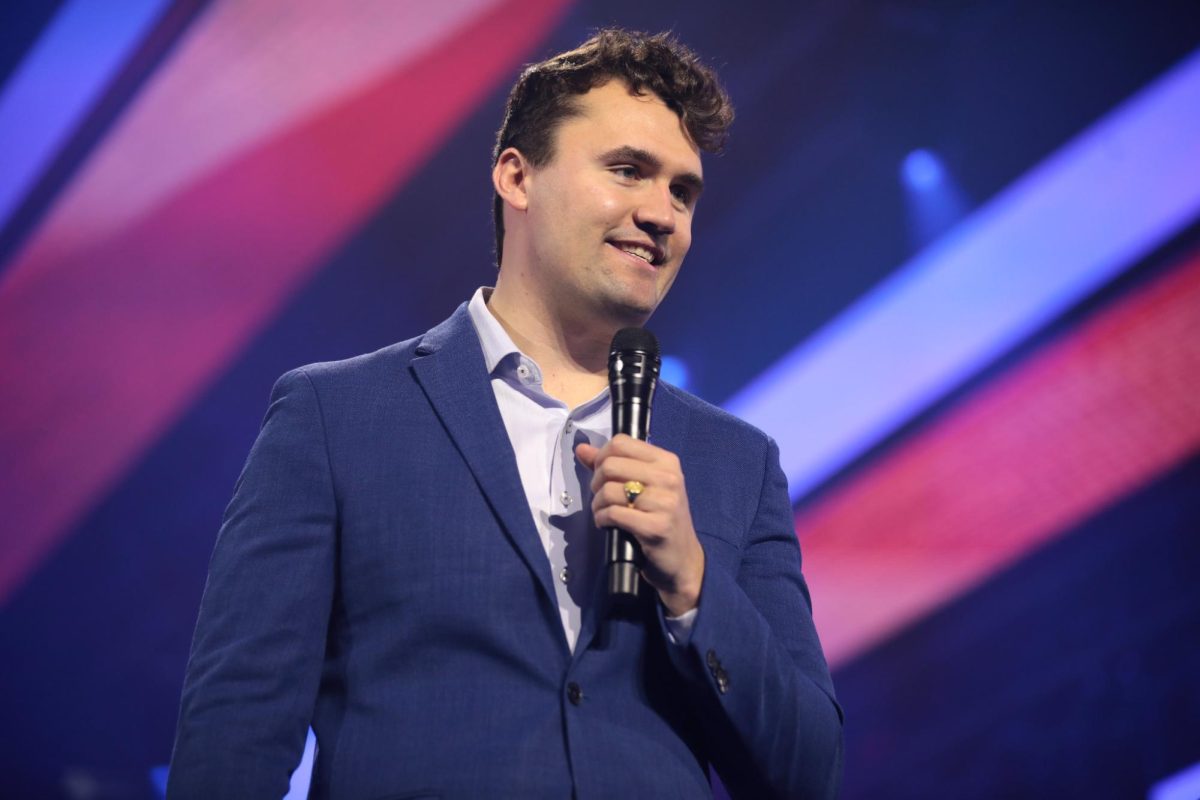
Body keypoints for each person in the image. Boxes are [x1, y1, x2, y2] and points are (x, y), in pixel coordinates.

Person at [168, 28, 843, 799]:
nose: (662, 214)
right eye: (628, 171)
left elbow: (809, 771)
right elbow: (235, 731)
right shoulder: (336, 415)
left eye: (683, 192)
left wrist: (693, 583)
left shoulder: (736, 461)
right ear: (517, 178)